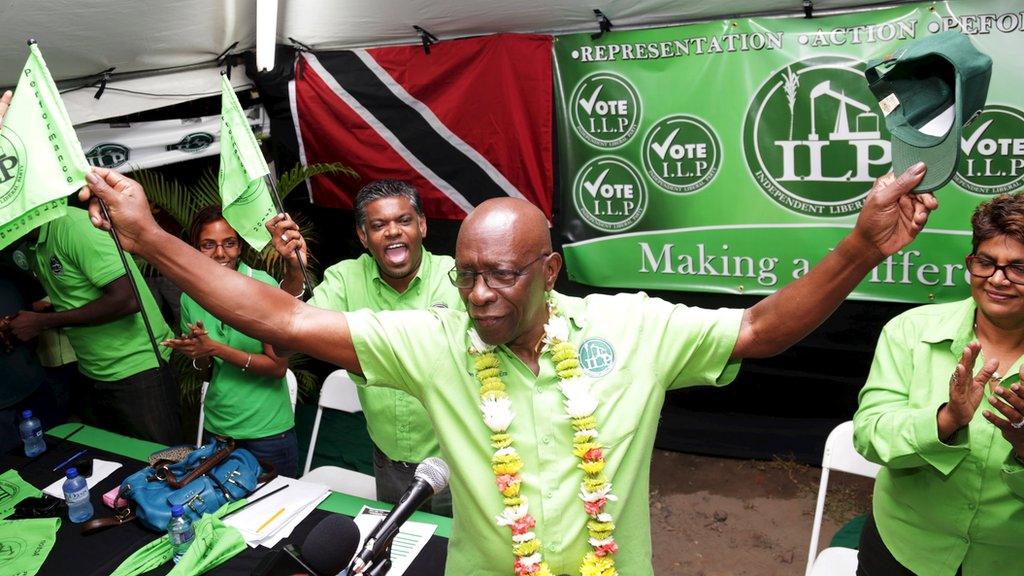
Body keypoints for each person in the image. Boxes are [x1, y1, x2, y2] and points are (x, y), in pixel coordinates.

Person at [80, 163, 934, 576]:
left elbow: (755, 328)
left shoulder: (629, 330)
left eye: (502, 275)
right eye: (467, 276)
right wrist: (152, 238)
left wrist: (858, 248)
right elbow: (284, 315)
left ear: (551, 271)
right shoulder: (438, 341)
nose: (479, 295)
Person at [852, 193, 1024, 576]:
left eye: (1019, 268)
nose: (998, 278)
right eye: (986, 262)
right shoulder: (910, 332)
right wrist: (945, 421)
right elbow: (868, 435)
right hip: (903, 548)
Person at [267, 179, 459, 515]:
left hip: (456, 465)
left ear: (423, 226)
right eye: (378, 225)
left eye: (403, 220)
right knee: (398, 554)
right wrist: (294, 275)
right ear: (362, 236)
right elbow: (279, 346)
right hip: (388, 466)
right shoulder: (345, 280)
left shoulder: (457, 279)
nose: (392, 232)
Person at [9, 206, 180, 445]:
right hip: (94, 371)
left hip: (137, 368)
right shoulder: (33, 246)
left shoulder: (73, 227)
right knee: (119, 465)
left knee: (162, 464)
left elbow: (127, 300)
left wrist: (43, 322)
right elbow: (76, 297)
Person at [162, 206, 297, 476]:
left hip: (267, 432)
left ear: (240, 246)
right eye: (208, 245)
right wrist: (199, 354)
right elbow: (208, 371)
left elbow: (277, 367)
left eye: (229, 243)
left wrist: (216, 348)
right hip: (219, 429)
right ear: (195, 248)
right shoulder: (191, 296)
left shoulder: (262, 286)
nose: (220, 253)